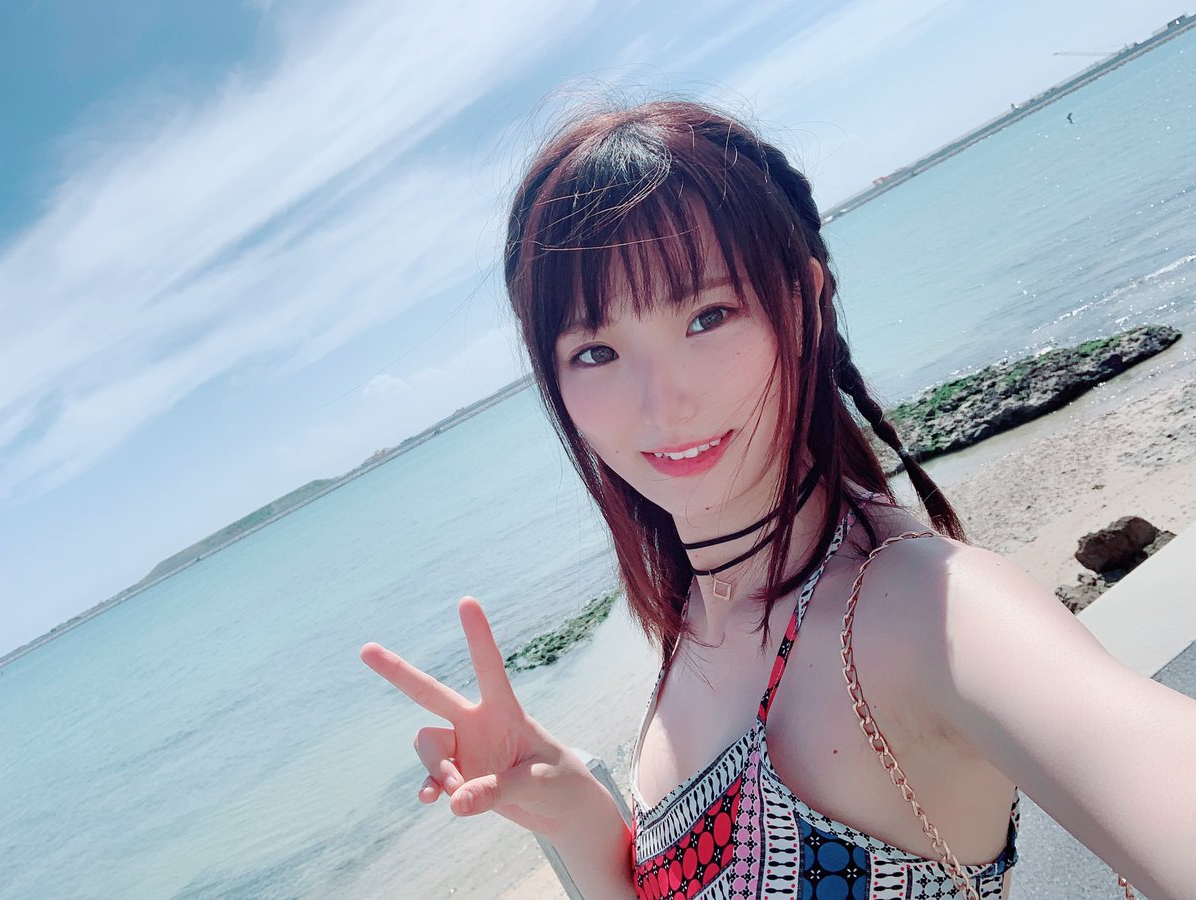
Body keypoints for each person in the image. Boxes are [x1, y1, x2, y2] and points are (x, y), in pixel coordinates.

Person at [361, 101, 1196, 899]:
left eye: (707, 315)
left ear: (801, 302)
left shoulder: (924, 613)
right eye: (595, 351)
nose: (663, 403)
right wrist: (576, 816)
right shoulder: (696, 620)